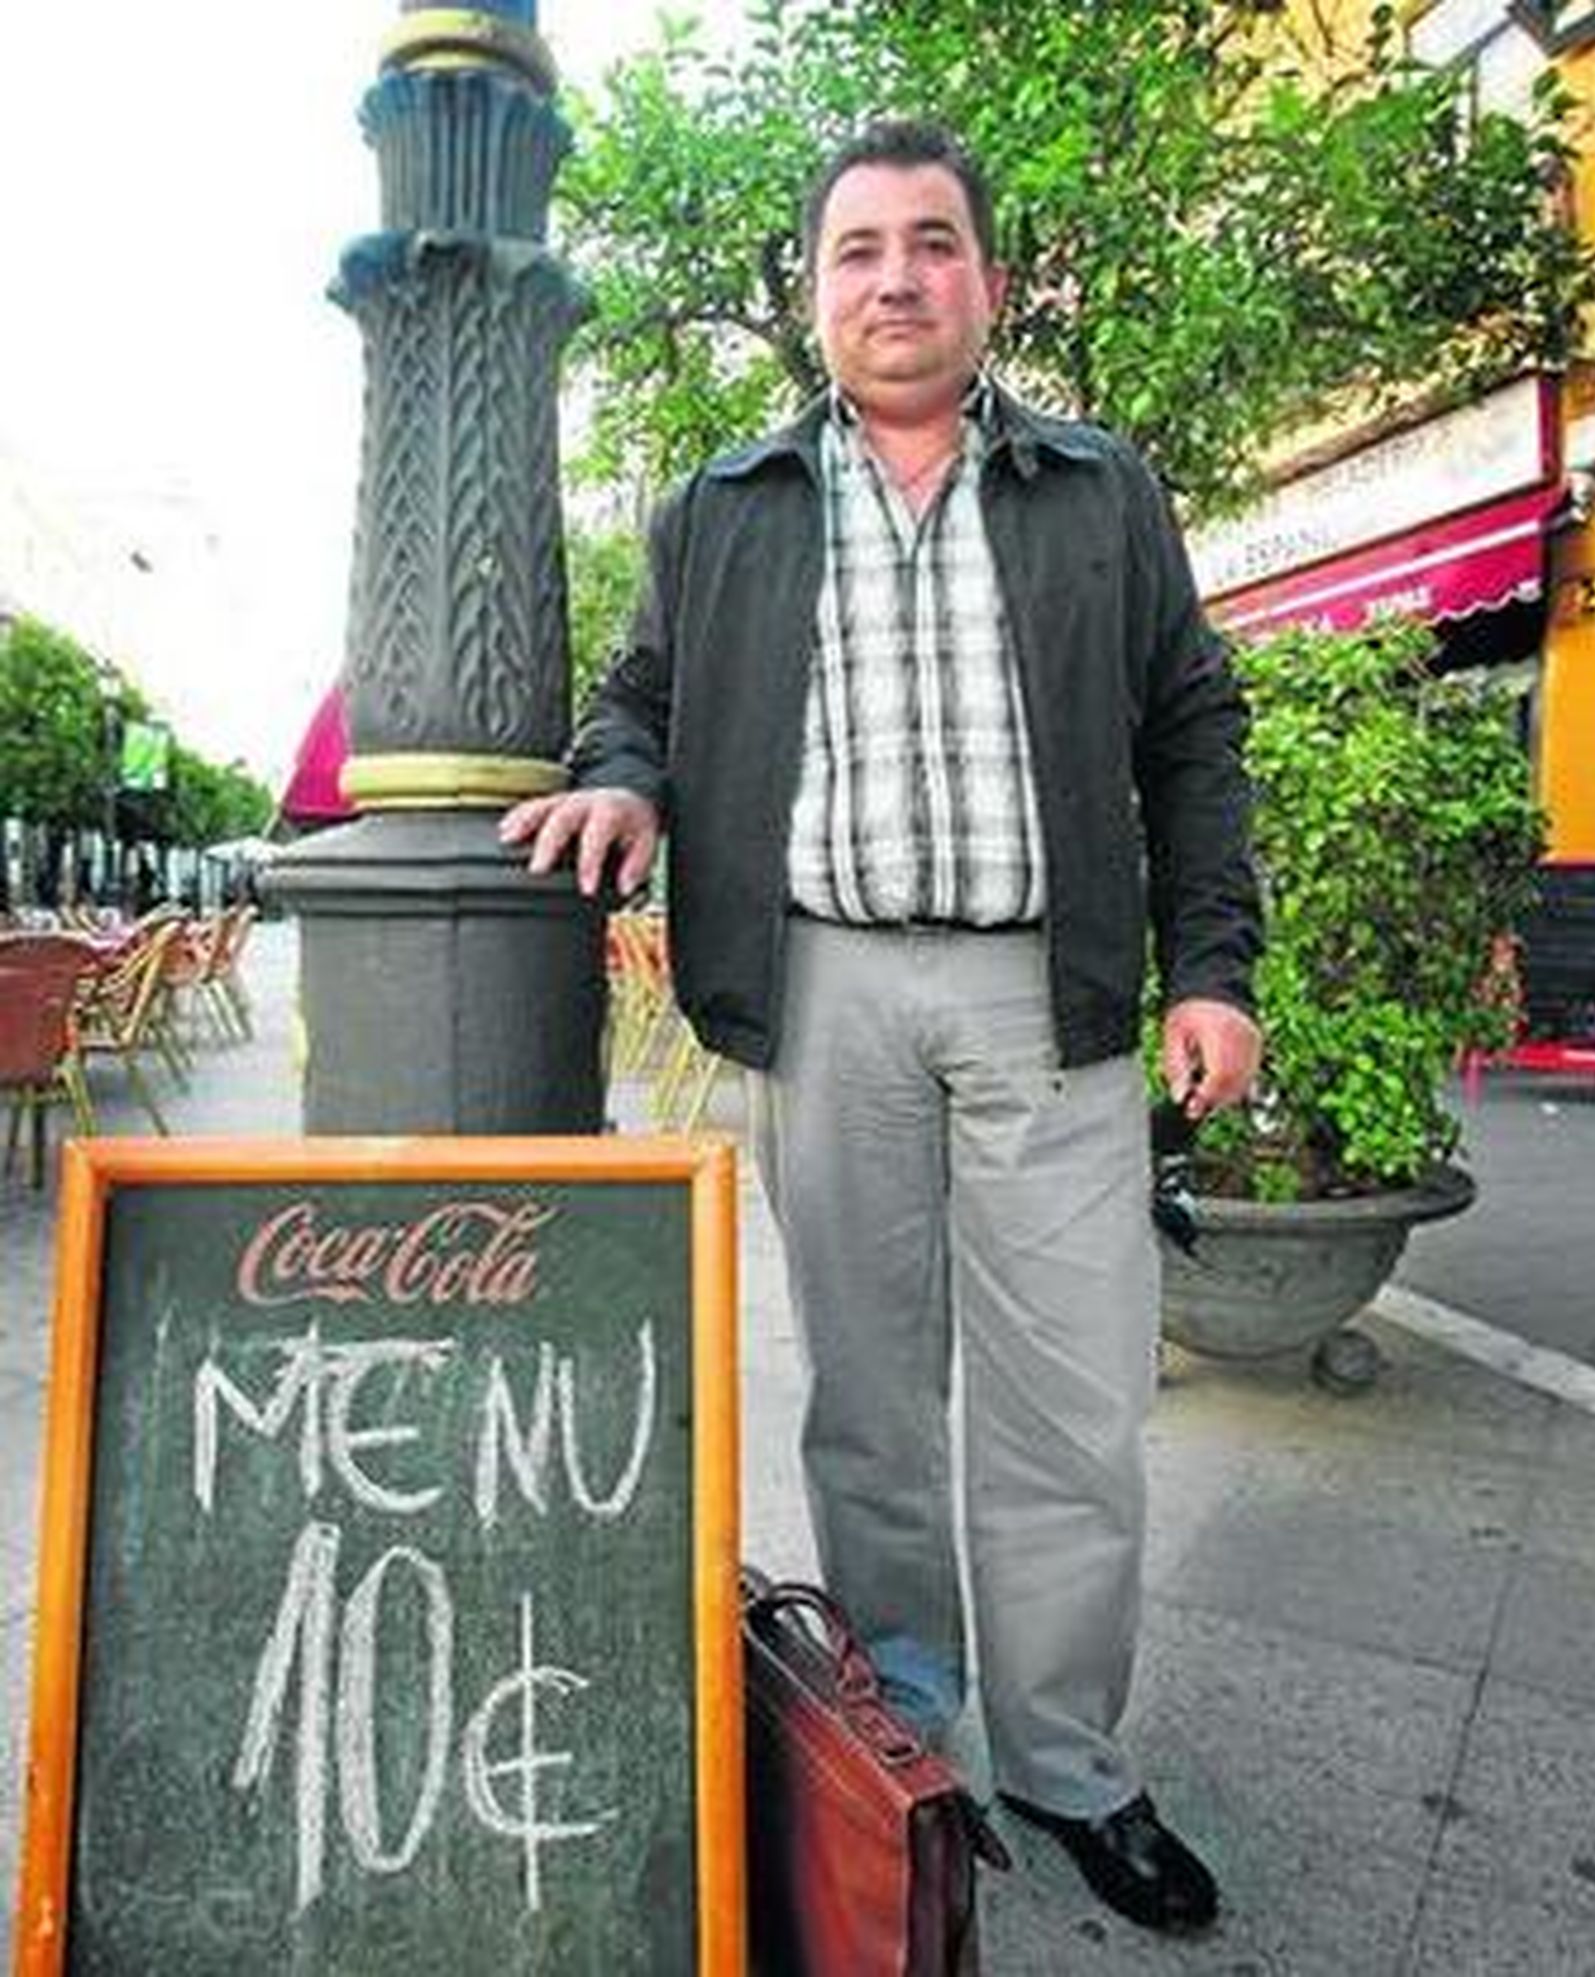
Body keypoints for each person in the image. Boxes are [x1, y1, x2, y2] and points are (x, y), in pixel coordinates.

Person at [502, 119, 1263, 1936]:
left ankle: (1071, 1761)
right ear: (818, 291)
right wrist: (622, 785)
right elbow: (639, 698)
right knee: (868, 1403)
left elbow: (1191, 727)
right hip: (826, 991)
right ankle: (906, 1710)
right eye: (860, 250)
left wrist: (1212, 966)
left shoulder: (1099, 490)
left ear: (986, 284)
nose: (899, 277)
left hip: (1049, 995)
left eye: (935, 243)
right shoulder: (724, 507)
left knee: (1074, 1404)